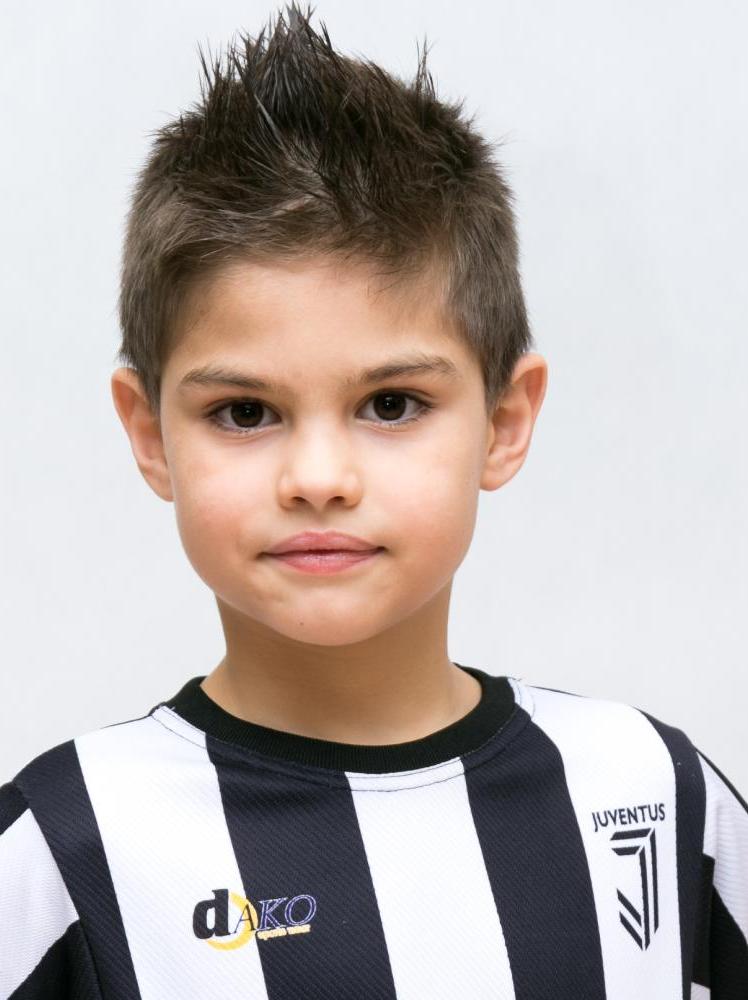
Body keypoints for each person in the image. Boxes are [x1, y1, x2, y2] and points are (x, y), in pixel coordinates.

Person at [1, 3, 745, 997]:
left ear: (504, 420)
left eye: (391, 404)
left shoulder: (654, 795)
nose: (319, 476)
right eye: (244, 412)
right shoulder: (63, 850)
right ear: (150, 434)